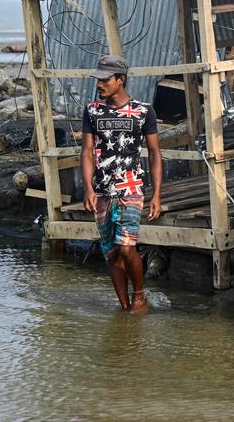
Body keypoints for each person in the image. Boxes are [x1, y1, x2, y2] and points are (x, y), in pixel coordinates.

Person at [81, 54, 162, 313]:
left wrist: (157, 195)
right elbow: (86, 151)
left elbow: (155, 153)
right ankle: (124, 306)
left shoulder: (143, 111)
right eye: (99, 79)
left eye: (106, 80)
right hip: (102, 190)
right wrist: (88, 189)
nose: (100, 84)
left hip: (131, 188)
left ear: (120, 80)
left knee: (127, 248)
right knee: (111, 253)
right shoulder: (92, 110)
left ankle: (139, 296)